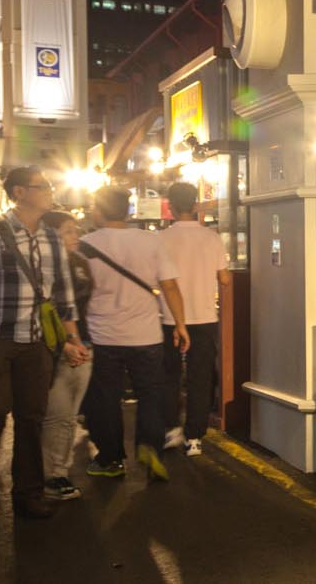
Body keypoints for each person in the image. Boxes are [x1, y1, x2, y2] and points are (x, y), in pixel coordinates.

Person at [0, 166, 90, 519]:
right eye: (41, 185)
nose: (49, 190)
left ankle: (27, 494)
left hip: (36, 342)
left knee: (32, 417)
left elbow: (63, 296)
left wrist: (71, 339)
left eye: (48, 185)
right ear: (18, 192)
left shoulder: (50, 238)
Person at [79, 187, 188, 482]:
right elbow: (170, 286)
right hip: (146, 335)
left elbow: (79, 291)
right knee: (151, 394)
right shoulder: (150, 242)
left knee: (106, 399)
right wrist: (180, 324)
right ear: (127, 211)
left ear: (98, 210)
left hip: (103, 336)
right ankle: (150, 446)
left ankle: (111, 459)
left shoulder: (84, 244)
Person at [158, 182, 229, 457]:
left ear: (171, 207)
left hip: (168, 317)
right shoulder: (211, 238)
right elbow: (224, 278)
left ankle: (171, 429)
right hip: (204, 317)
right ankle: (195, 438)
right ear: (196, 205)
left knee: (169, 375)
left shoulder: (160, 239)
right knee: (201, 377)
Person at [40, 211, 94, 500]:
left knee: (69, 415)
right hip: (57, 348)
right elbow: (48, 310)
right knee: (57, 415)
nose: (75, 236)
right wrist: (67, 342)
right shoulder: (44, 268)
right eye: (67, 231)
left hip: (84, 344)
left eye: (76, 230)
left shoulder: (79, 264)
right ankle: (53, 476)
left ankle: (58, 470)